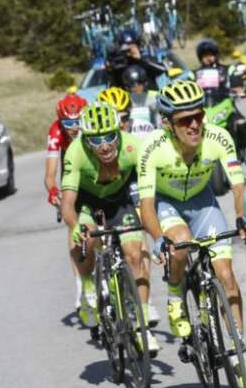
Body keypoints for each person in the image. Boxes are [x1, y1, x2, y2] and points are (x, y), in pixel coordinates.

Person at [137, 79, 246, 388]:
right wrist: (157, 238)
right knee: (179, 244)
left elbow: (237, 185)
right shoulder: (152, 148)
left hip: (202, 202)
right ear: (167, 123)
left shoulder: (218, 137)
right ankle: (176, 292)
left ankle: (236, 351)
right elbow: (147, 206)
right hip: (167, 204)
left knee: (226, 274)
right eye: (184, 120)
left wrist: (241, 217)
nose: (194, 125)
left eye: (198, 116)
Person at [59, 102, 159, 353]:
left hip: (118, 201)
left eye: (109, 137)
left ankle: (141, 323)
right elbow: (67, 203)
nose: (104, 146)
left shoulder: (132, 146)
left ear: (119, 131)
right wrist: (75, 227)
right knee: (86, 238)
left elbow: (150, 191)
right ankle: (88, 285)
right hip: (86, 203)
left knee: (135, 253)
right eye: (96, 139)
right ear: (86, 139)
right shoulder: (75, 152)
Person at [97, 86, 161, 327]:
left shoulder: (140, 130)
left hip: (132, 185)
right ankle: (103, 277)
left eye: (124, 117)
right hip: (106, 190)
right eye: (116, 118)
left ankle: (146, 299)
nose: (121, 122)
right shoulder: (100, 139)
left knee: (139, 241)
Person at [44, 92, 87, 309]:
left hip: (92, 176)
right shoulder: (55, 131)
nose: (74, 127)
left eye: (77, 121)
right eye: (68, 123)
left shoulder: (89, 126)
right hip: (70, 179)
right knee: (74, 227)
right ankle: (80, 283)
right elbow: (50, 172)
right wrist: (52, 189)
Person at [193, 39, 246, 155]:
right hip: (204, 108)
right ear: (200, 58)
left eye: (210, 54)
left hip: (224, 105)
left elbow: (238, 86)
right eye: (204, 55)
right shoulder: (193, 74)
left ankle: (242, 148)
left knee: (240, 122)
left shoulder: (228, 69)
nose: (208, 58)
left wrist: (237, 90)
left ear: (216, 55)